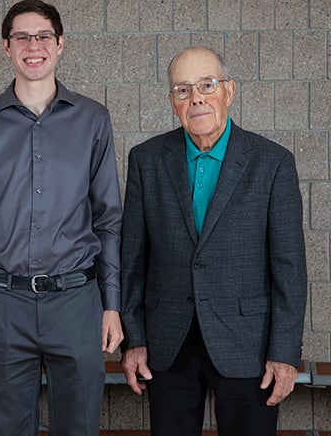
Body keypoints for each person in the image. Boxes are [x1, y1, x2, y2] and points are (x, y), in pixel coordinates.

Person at [120, 45, 307, 436]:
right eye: (183, 90)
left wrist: (285, 353)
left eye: (207, 85)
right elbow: (133, 260)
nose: (197, 98)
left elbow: (289, 269)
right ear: (172, 101)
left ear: (229, 90)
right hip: (167, 344)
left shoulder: (273, 163)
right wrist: (134, 340)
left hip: (248, 346)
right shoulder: (146, 159)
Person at [0, 0, 123, 435]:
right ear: (6, 48)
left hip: (77, 301)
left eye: (43, 36)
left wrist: (111, 304)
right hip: (3, 305)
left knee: (80, 428)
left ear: (61, 44)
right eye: (22, 37)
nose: (34, 45)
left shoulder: (93, 119)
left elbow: (107, 218)